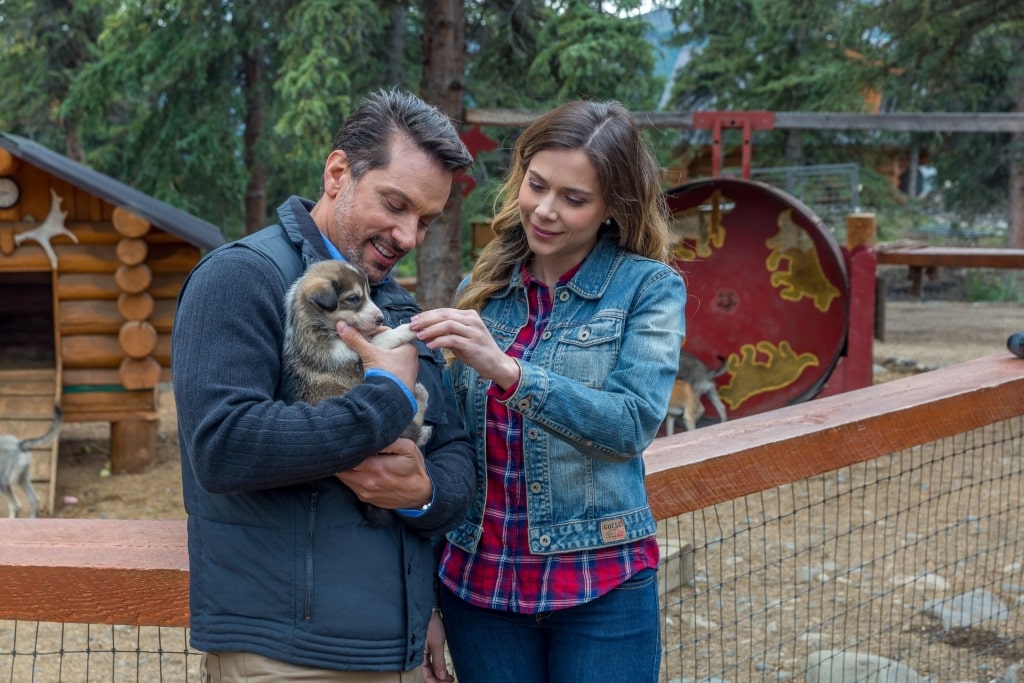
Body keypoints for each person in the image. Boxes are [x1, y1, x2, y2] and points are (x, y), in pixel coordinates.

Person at [171, 89, 476, 683]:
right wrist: (384, 401)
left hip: (403, 650)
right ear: (338, 174)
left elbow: (456, 453)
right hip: (285, 659)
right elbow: (222, 444)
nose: (409, 235)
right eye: (396, 204)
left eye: (427, 219)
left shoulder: (393, 303)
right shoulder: (239, 277)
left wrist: (425, 493)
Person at [410, 99, 687, 682]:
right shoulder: (480, 289)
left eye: (575, 198)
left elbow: (629, 425)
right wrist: (427, 602)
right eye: (537, 185)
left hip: (600, 583)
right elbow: (448, 451)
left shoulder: (648, 288)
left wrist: (509, 372)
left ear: (613, 206)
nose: (545, 210)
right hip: (477, 587)